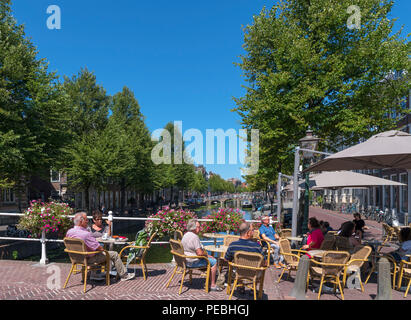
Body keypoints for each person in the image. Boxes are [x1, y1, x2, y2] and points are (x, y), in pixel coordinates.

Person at [66, 212, 135, 281]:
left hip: (75, 258)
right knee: (114, 254)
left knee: (99, 252)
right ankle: (124, 275)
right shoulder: (86, 234)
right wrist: (102, 250)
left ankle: (95, 274)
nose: (87, 221)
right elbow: (100, 248)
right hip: (88, 259)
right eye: (86, 220)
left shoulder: (69, 232)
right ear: (81, 221)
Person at [181, 219, 222, 291]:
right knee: (214, 261)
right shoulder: (194, 237)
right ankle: (212, 285)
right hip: (192, 262)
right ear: (193, 228)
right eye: (198, 227)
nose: (200, 229)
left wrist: (207, 256)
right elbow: (199, 253)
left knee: (209, 259)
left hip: (186, 260)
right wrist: (206, 254)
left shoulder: (185, 235)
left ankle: (209, 278)